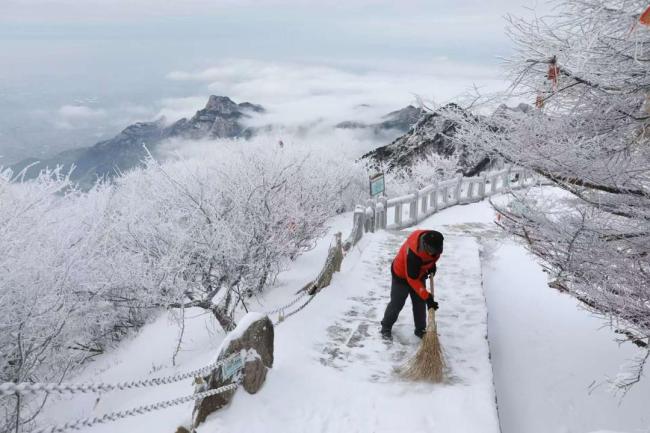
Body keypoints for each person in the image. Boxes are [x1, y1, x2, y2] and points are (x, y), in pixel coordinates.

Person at [380, 230, 443, 340]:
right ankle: (386, 326)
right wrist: (427, 297)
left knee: (419, 302)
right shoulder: (413, 252)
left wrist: (431, 266)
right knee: (397, 302)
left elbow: (432, 257)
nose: (434, 254)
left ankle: (420, 330)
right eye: (432, 252)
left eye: (436, 252)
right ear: (425, 245)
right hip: (401, 275)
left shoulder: (435, 245)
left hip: (418, 273)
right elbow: (412, 279)